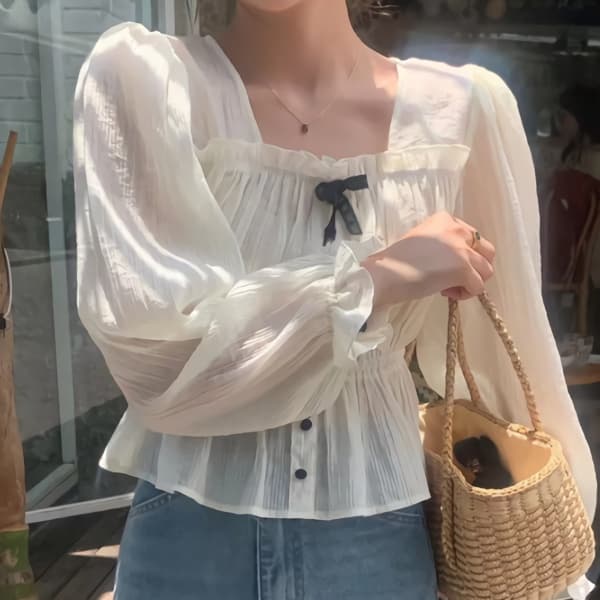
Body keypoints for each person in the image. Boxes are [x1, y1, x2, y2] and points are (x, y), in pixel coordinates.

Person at [72, 1, 596, 598]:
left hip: (377, 537)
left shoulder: (458, 113)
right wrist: (374, 283)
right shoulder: (146, 83)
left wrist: (547, 553)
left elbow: (514, 365)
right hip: (191, 538)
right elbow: (163, 366)